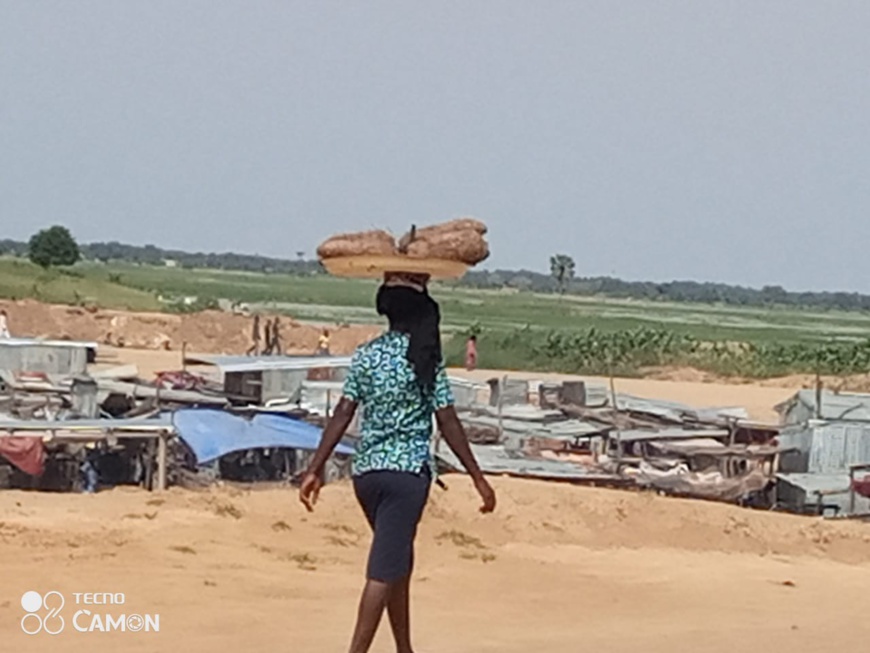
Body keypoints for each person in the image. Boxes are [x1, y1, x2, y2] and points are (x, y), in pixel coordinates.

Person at [299, 272, 496, 653]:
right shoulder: (424, 358)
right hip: (406, 478)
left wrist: (315, 467)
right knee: (383, 570)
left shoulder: (367, 355)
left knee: (396, 560)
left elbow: (343, 413)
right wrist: (477, 477)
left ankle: (405, 648)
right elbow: (448, 421)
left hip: (367, 475)